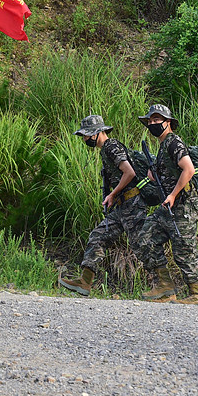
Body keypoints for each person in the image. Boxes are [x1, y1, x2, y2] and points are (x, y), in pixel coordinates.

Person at [59, 115, 149, 296]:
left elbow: (129, 173)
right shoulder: (105, 150)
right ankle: (85, 282)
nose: (85, 139)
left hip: (133, 205)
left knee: (142, 246)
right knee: (98, 236)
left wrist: (112, 194)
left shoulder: (111, 147)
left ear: (98, 133)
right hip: (123, 206)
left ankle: (165, 286)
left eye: (87, 135)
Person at [136, 104, 198, 305]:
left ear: (168, 123)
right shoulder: (163, 146)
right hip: (169, 206)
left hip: (183, 205)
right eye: (150, 121)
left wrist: (173, 194)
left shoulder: (174, 142)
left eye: (157, 120)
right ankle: (165, 287)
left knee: (184, 249)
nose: (152, 124)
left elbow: (188, 169)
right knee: (146, 236)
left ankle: (196, 295)